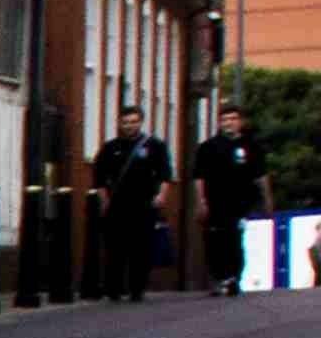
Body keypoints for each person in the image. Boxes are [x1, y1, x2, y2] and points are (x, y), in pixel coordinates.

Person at [91, 100, 177, 303]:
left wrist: (161, 196)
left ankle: (137, 288)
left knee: (141, 248)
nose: (129, 126)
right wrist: (104, 201)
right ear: (120, 123)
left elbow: (165, 174)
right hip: (117, 206)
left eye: (133, 121)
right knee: (115, 249)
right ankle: (114, 288)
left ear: (141, 122)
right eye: (125, 122)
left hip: (144, 205)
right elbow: (99, 177)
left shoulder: (154, 146)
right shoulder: (110, 148)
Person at [193, 102, 276, 297]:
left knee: (234, 239)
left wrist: (267, 199)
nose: (228, 123)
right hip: (214, 202)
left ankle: (233, 277)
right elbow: (199, 177)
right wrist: (201, 201)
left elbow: (260, 175)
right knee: (214, 241)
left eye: (232, 119)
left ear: (240, 121)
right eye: (224, 120)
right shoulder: (208, 147)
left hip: (240, 203)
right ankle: (219, 277)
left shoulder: (251, 147)